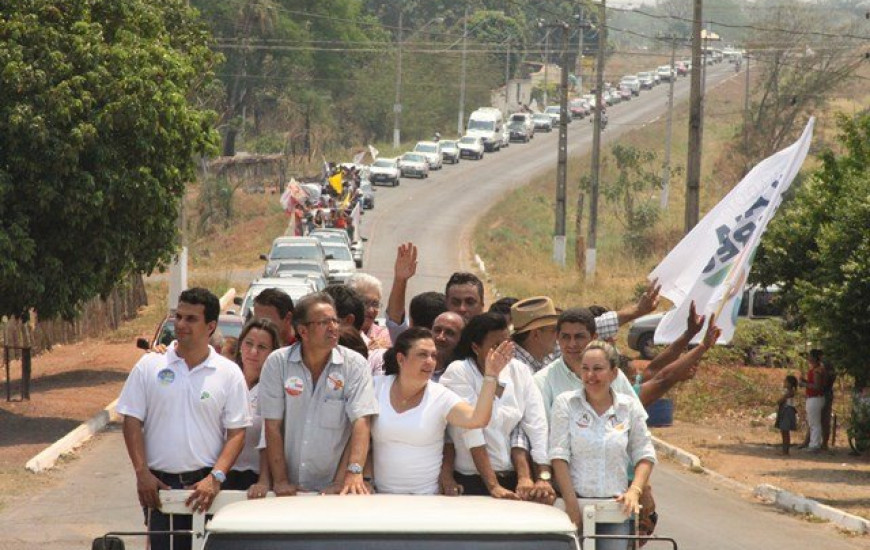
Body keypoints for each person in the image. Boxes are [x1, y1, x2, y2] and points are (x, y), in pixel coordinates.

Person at [117, 288, 251, 550]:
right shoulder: (149, 365)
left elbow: (237, 433)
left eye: (191, 319)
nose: (181, 324)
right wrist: (142, 473)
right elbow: (131, 420)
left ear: (210, 326)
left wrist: (215, 478)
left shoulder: (229, 373)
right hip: (159, 488)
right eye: (178, 317)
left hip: (205, 489)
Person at [259, 292, 378, 495]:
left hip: (336, 489)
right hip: (289, 489)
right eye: (324, 322)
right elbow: (272, 426)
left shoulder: (355, 365)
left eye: (335, 321)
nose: (333, 327)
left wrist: (351, 474)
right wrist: (280, 481)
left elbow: (361, 421)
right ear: (303, 331)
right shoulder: (277, 363)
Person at [370, 327, 513, 494]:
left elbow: (477, 419)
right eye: (422, 354)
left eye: (433, 356)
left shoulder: (441, 396)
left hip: (427, 498)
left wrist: (491, 375)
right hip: (379, 498)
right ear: (401, 359)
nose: (430, 361)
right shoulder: (375, 387)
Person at [549, 341, 657, 550]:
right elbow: (559, 456)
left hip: (615, 508)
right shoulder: (566, 403)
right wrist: (571, 505)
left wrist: (635, 491)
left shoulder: (629, 407)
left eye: (598, 369)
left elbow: (644, 453)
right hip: (575, 503)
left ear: (613, 373)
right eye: (585, 369)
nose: (591, 375)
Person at [440, 313, 551, 502]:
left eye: (507, 344)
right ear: (476, 347)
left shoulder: (520, 371)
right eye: (495, 346)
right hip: (472, 481)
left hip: (514, 480)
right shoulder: (459, 372)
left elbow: (536, 425)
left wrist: (543, 477)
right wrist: (493, 486)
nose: (503, 351)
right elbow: (471, 431)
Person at [229, 319, 281, 495]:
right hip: (217, 474)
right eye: (249, 344)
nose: (253, 352)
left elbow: (269, 436)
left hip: (254, 479)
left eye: (262, 347)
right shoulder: (226, 380)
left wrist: (264, 480)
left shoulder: (274, 388)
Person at [510, 297, 559, 374]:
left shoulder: (545, 358)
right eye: (554, 330)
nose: (558, 335)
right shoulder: (515, 368)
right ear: (536, 334)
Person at [346, 273, 392, 350]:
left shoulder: (384, 337)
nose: (371, 310)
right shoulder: (339, 334)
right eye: (364, 303)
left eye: (375, 304)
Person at [799, 349, 827, 451]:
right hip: (815, 398)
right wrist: (806, 381)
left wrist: (804, 384)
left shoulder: (817, 371)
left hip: (815, 398)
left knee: (814, 423)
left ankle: (815, 444)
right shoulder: (816, 369)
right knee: (813, 422)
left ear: (814, 358)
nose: (808, 358)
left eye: (810, 356)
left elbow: (817, 386)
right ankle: (813, 443)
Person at [430, 311, 465, 382]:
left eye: (449, 333)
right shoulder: (414, 365)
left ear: (461, 339)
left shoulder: (464, 375)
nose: (440, 337)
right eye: (437, 330)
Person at [775, 375, 799, 456]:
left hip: (787, 411)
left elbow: (780, 401)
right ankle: (785, 450)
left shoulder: (790, 393)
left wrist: (779, 400)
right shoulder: (788, 392)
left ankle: (785, 451)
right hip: (785, 411)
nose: (784, 383)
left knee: (785, 431)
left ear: (789, 383)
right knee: (784, 431)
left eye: (785, 381)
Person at [821, 357, 837, 450]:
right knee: (825, 420)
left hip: (825, 395)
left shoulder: (828, 374)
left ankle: (824, 443)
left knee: (824, 419)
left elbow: (824, 385)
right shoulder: (832, 373)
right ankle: (824, 442)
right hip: (828, 394)